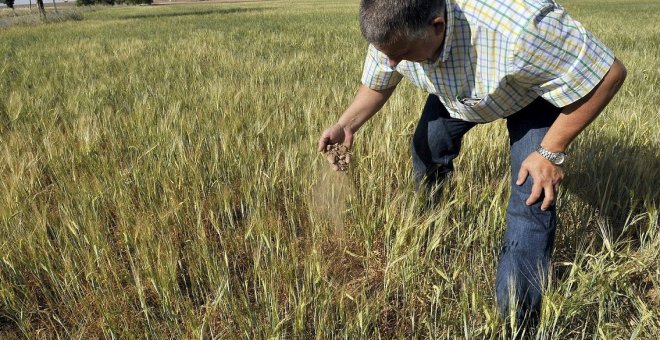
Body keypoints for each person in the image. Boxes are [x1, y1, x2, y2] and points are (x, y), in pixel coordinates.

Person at [317, 0, 626, 329]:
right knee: (427, 150)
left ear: (437, 26)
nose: (392, 62)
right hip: (456, 92)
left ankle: (517, 322)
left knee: (530, 198)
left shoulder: (522, 30)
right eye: (386, 52)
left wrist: (550, 150)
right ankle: (431, 231)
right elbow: (379, 79)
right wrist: (347, 124)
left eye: (403, 53)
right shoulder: (396, 30)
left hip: (532, 95)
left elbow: (610, 73)